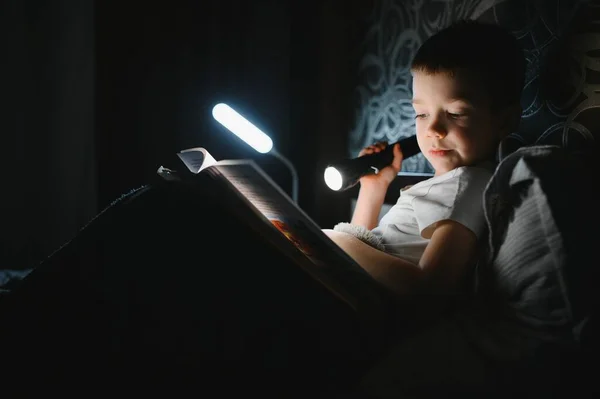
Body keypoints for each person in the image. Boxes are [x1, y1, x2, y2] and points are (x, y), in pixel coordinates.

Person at [324, 19, 526, 301]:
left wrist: (336, 242)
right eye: (421, 114)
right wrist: (373, 190)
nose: (433, 130)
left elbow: (428, 290)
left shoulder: (465, 184)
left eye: (455, 114)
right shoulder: (448, 186)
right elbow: (369, 246)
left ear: (504, 121)